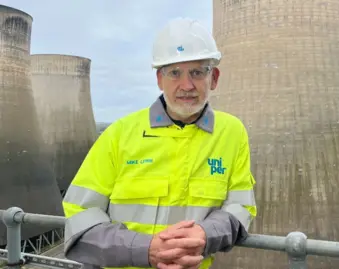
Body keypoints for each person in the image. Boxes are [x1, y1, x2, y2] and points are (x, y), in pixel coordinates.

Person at [61, 17, 257, 269]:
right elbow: (80, 215)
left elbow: (240, 206)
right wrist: (145, 250)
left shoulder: (231, 133)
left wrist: (206, 234)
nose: (187, 85)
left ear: (214, 78)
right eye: (175, 73)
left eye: (197, 72)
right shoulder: (120, 134)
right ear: (159, 79)